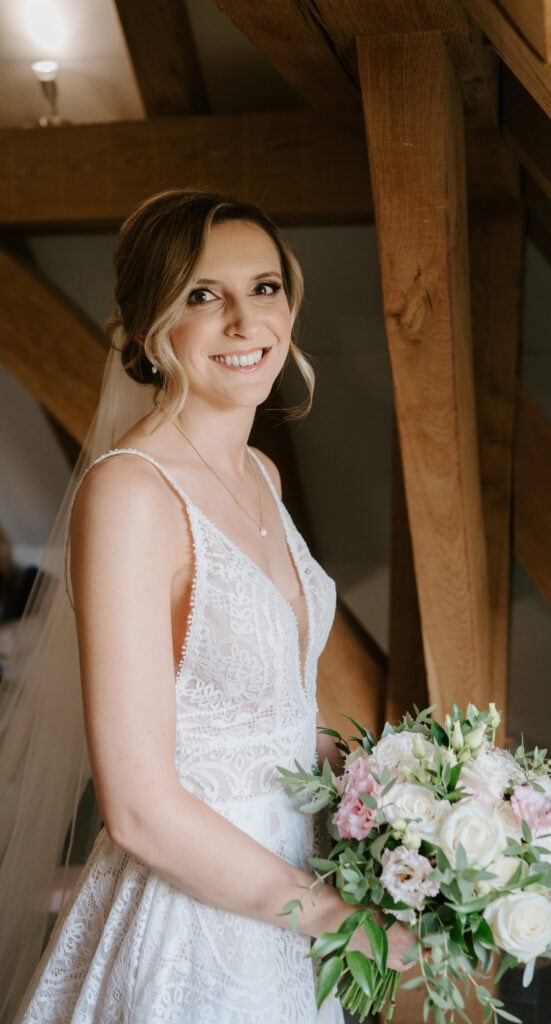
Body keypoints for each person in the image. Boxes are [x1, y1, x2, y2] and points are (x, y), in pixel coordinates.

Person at [1, 190, 414, 1023]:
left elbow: (271, 705)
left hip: (285, 891)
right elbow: (139, 808)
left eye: (264, 288)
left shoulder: (261, 472)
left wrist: (396, 810)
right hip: (194, 924)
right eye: (201, 295)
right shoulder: (130, 493)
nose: (244, 320)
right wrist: (337, 920)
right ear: (149, 327)